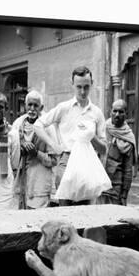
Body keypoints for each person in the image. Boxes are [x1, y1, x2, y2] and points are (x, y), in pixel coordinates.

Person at [37, 66, 108, 205]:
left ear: (92, 84)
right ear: (72, 85)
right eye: (79, 87)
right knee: (66, 211)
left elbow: (104, 150)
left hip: (88, 161)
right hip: (67, 160)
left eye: (86, 87)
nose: (82, 91)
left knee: (86, 212)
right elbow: (38, 125)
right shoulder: (64, 108)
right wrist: (54, 145)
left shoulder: (97, 113)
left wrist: (91, 136)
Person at [11, 90, 58, 209]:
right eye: (29, 105)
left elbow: (53, 160)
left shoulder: (48, 127)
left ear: (41, 107)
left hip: (39, 185)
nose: (32, 108)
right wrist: (21, 147)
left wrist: (36, 153)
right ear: (25, 105)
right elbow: (12, 153)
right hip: (21, 183)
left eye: (35, 105)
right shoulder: (18, 124)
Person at [99, 99, 136, 205]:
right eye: (114, 111)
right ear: (110, 112)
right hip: (99, 185)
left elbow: (128, 170)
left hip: (115, 188)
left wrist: (124, 195)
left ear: (126, 114)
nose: (117, 114)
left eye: (121, 112)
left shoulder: (128, 136)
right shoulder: (103, 129)